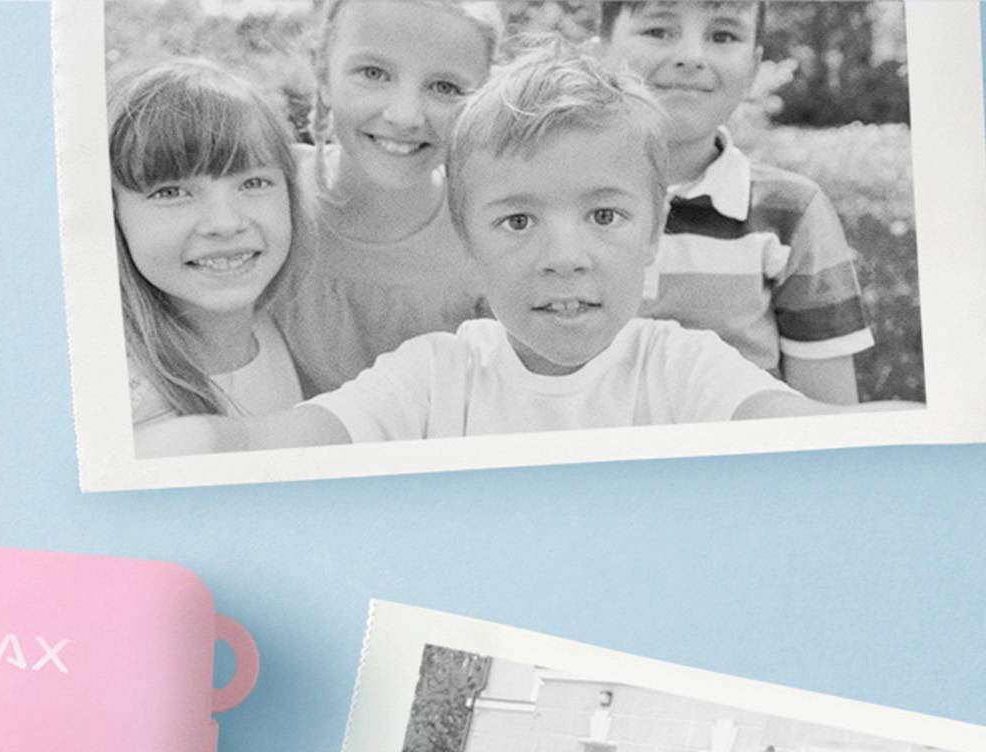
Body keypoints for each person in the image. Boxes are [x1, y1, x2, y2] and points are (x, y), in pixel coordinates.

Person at [142, 43, 855, 454]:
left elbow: (821, 442)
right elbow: (280, 444)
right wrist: (136, 457)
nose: (564, 255)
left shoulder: (685, 369)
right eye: (517, 222)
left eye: (604, 215)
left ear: (652, 234)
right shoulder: (432, 377)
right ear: (467, 245)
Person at [599, 0, 874, 402]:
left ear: (753, 68)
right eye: (659, 31)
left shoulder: (793, 212)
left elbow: (827, 416)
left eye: (722, 35)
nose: (691, 58)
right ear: (601, 52)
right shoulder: (544, 203)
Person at [279, 0, 501, 394]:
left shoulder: (492, 235)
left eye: (444, 87)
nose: (405, 116)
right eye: (374, 73)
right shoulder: (266, 199)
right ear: (323, 75)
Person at [112, 61, 306, 454]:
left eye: (253, 183)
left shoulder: (277, 325)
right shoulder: (124, 408)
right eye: (171, 192)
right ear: (113, 214)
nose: (224, 223)